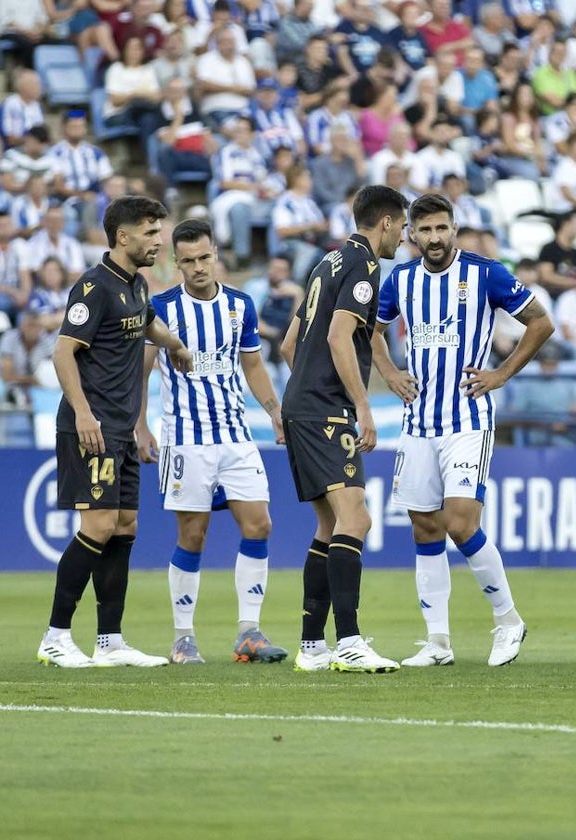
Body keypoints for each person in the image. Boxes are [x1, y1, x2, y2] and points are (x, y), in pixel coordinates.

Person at [371, 192, 553, 667]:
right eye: (425, 230)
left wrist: (500, 374)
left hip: (467, 418)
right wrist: (389, 372)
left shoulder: (485, 272)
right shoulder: (402, 279)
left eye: (441, 228)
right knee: (424, 527)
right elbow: (370, 329)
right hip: (418, 420)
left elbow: (540, 322)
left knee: (459, 522)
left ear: (455, 229)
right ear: (411, 233)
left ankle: (508, 619)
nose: (434, 238)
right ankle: (437, 643)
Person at [36, 195, 193, 669]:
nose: (158, 240)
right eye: (150, 232)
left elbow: (145, 324)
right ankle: (55, 636)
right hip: (93, 427)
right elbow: (63, 353)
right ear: (122, 236)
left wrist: (174, 344)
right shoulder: (93, 287)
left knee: (124, 527)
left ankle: (110, 640)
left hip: (122, 429)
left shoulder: (137, 285)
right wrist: (83, 414)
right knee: (99, 525)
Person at [134, 219, 289, 666]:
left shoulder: (240, 305)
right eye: (188, 261)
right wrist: (141, 426)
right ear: (176, 263)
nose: (198, 267)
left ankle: (249, 632)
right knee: (193, 534)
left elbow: (254, 366)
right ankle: (183, 638)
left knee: (259, 525)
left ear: (216, 254)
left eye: (204, 258)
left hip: (236, 436)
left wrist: (274, 410)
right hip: (185, 440)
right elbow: (141, 370)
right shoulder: (161, 308)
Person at [277, 184, 410, 674]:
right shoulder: (364, 267)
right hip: (326, 411)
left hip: (304, 405)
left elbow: (290, 344)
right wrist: (362, 407)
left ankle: (312, 647)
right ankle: (349, 641)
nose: (404, 237)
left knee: (330, 525)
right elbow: (337, 336)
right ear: (387, 223)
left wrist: (300, 400)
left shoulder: (325, 263)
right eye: (403, 227)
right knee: (357, 521)